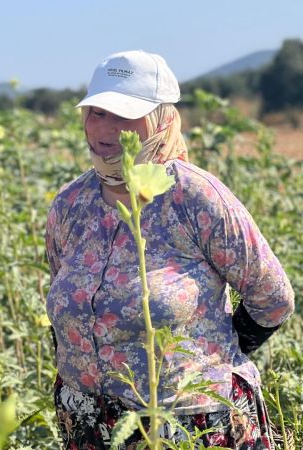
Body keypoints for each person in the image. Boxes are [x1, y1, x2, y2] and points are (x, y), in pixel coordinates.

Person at [45, 50, 295, 449]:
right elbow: (62, 297)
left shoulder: (195, 196)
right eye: (98, 112)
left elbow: (273, 298)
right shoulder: (70, 205)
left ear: (161, 119)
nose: (106, 128)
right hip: (88, 424)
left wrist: (215, 352)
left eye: (125, 114)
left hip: (187, 425)